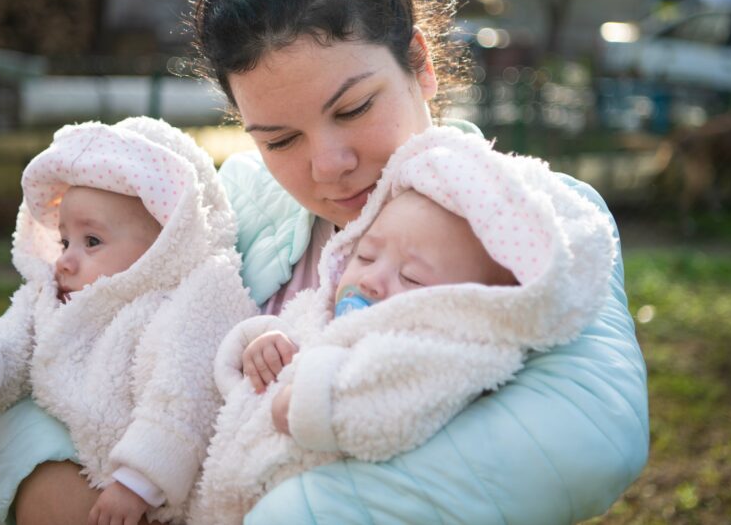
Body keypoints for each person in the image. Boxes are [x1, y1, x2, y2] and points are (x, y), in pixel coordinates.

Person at [0, 0, 648, 523]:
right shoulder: (227, 212)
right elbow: (56, 344)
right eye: (280, 139)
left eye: (353, 108)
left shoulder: (529, 217)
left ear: (418, 64)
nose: (327, 165)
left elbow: (591, 431)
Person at [188, 126, 618, 524]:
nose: (371, 280)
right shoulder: (323, 307)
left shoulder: (443, 354)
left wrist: (309, 403)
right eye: (367, 255)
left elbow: (388, 403)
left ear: (465, 303)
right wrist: (261, 344)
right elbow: (255, 379)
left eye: (411, 277)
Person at [0, 117, 255, 525]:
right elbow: (12, 336)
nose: (65, 260)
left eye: (91, 241)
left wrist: (139, 481)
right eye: (64, 240)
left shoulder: (192, 299)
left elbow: (183, 393)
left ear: (165, 244)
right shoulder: (57, 297)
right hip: (83, 472)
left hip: (154, 495)